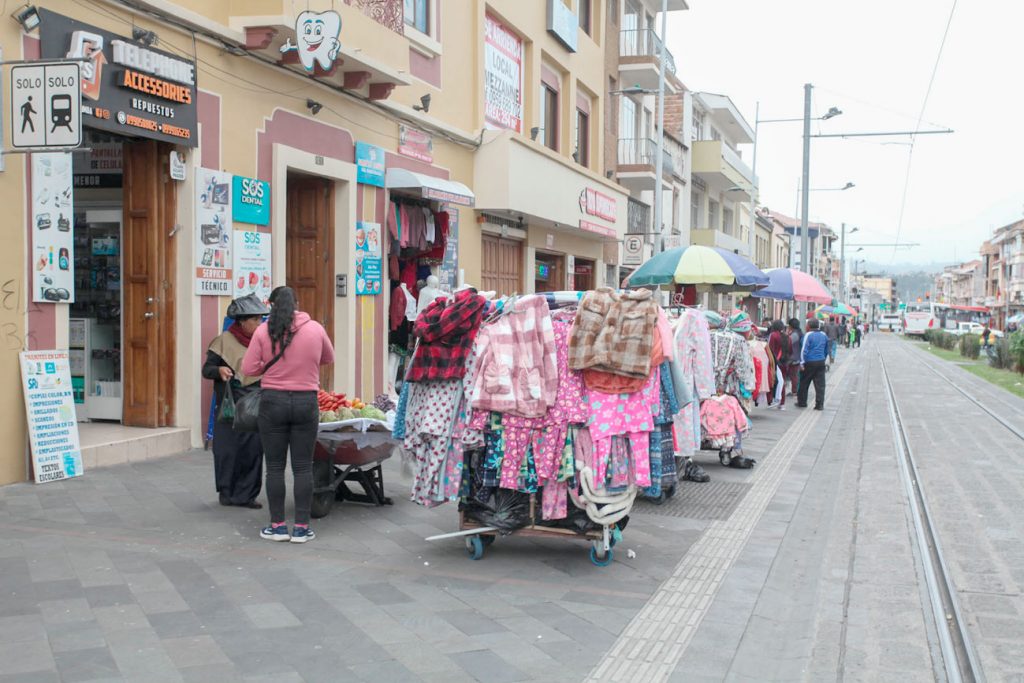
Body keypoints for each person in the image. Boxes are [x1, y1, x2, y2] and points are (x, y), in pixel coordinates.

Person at [242, 286, 335, 543]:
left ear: (271, 305)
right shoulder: (315, 328)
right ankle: (302, 528)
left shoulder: (263, 331)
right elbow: (329, 357)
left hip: (273, 403)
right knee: (303, 467)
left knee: (274, 467)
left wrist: (270, 367)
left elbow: (248, 367)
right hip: (306, 402)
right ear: (297, 303)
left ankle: (278, 526)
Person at [202, 294, 269, 509]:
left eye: (261, 319)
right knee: (227, 450)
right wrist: (219, 370)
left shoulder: (263, 342)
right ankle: (227, 492)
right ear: (242, 321)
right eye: (255, 320)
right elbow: (207, 370)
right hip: (229, 406)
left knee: (252, 450)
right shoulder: (222, 342)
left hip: (254, 404)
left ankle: (247, 495)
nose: (260, 324)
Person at [798, 318, 829, 410]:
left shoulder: (808, 335)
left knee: (804, 383)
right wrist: (823, 358)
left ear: (808, 326)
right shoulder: (824, 335)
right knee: (820, 385)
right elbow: (826, 349)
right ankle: (819, 404)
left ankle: (802, 402)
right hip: (821, 361)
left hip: (809, 362)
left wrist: (802, 363)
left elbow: (804, 350)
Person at [767, 320, 791, 410]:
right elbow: (790, 351)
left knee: (773, 380)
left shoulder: (773, 335)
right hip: (785, 363)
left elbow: (770, 349)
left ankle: (773, 400)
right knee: (782, 382)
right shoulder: (788, 337)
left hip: (775, 362)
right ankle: (782, 403)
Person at [787, 318, 803, 395]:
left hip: (794, 358)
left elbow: (787, 342)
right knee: (794, 375)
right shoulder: (799, 332)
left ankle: (794, 391)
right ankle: (795, 390)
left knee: (794, 376)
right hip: (797, 357)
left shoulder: (795, 334)